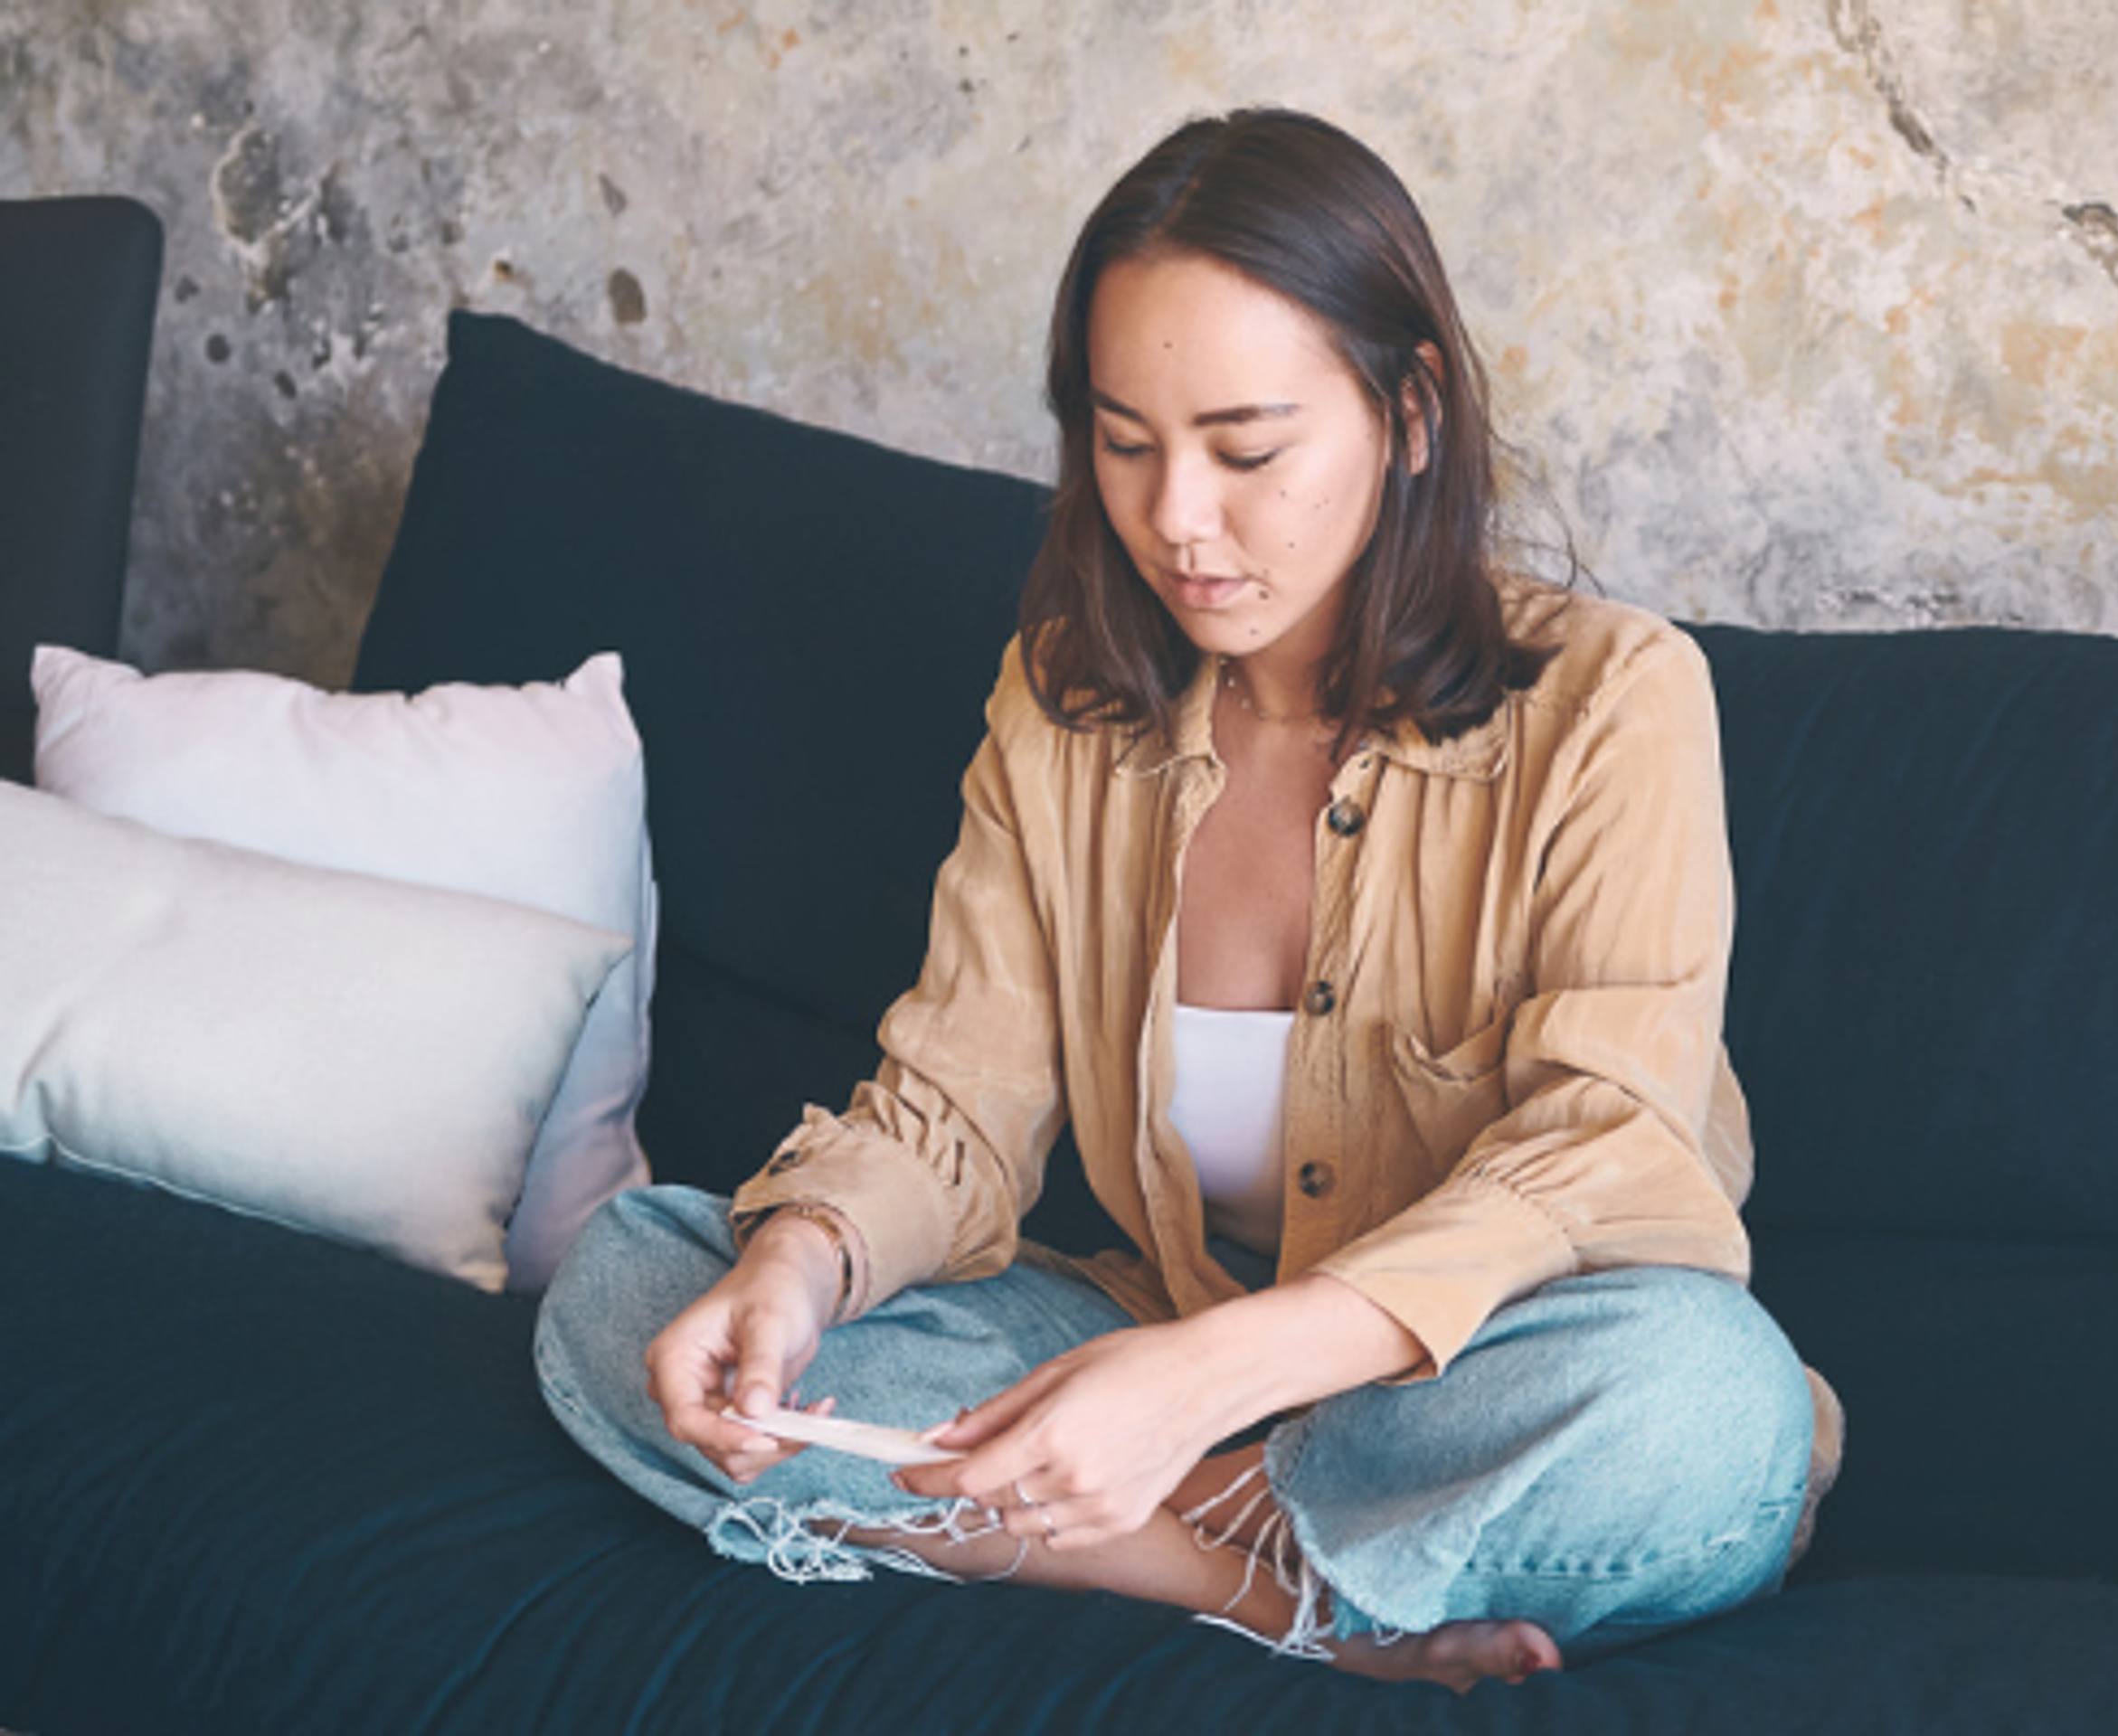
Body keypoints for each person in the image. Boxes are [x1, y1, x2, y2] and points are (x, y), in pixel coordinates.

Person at [533, 107, 1832, 1693]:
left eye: (1247, 448)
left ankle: (1108, 1520)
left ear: (1408, 409)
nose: (1176, 524)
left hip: (1470, 1395)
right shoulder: (1070, 700)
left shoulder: (1615, 700)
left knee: (1711, 1407)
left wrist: (1196, 1384)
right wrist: (796, 1272)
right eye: (1124, 442)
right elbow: (957, 1101)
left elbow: (1608, 1155)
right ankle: (1270, 1601)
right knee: (634, 1290)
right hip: (1137, 1347)